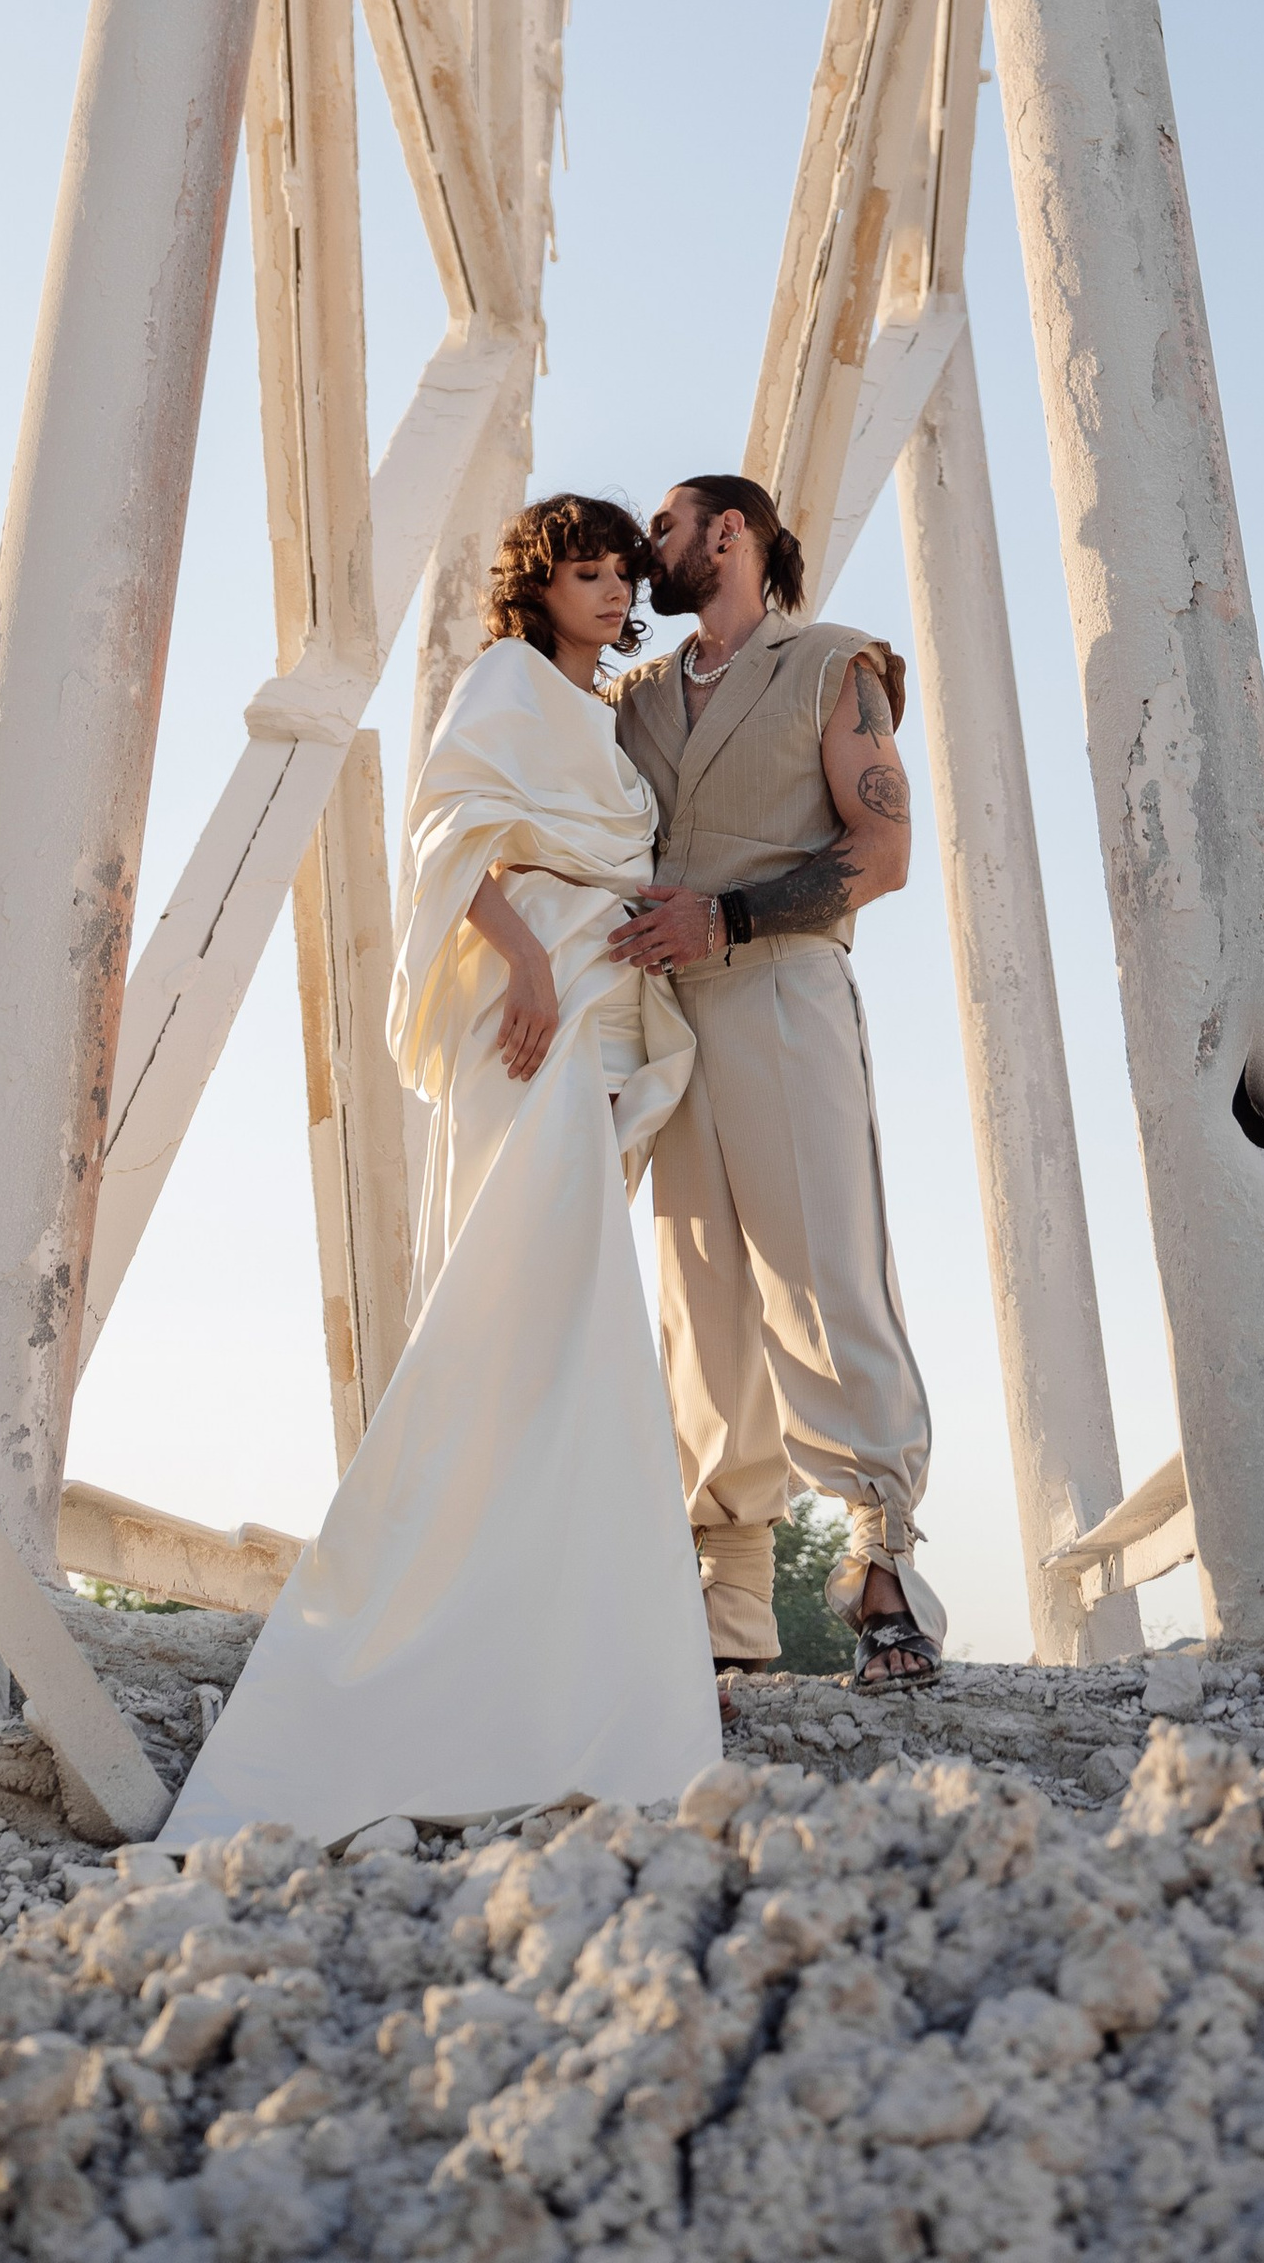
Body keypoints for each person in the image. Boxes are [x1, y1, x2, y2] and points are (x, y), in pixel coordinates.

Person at [163, 497, 716, 1847]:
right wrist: (528, 960)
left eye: (618, 575)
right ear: (541, 582)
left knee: (567, 1311)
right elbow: (445, 836)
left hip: (596, 1000)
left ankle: (551, 1643)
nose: (605, 592)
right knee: (517, 1285)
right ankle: (431, 1640)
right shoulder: (507, 681)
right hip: (522, 1007)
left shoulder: (611, 711)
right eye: (584, 573)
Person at [605, 475, 945, 1694]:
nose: (647, 554)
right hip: (662, 1011)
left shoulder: (835, 666)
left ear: (729, 533)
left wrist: (729, 916)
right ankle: (729, 1603)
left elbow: (883, 851)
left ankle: (885, 1574)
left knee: (820, 1271)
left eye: (664, 529)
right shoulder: (635, 697)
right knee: (696, 1300)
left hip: (783, 984)